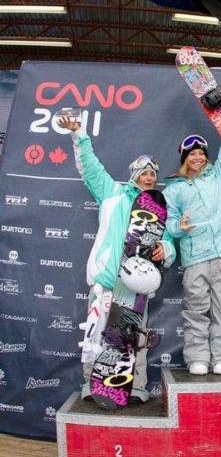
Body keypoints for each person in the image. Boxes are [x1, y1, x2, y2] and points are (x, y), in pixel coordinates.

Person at [59, 116, 176, 402]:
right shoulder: (111, 193)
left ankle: (135, 387)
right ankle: (92, 384)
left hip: (135, 285)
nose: (150, 177)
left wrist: (166, 250)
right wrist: (79, 135)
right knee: (97, 333)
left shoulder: (158, 210)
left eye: (153, 174)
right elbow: (90, 168)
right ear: (133, 174)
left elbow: (169, 241)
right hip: (107, 280)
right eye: (144, 172)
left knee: (134, 335)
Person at [163, 134, 221, 376]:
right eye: (192, 154)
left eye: (201, 154)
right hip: (195, 255)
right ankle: (197, 357)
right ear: (185, 158)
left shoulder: (217, 176)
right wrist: (180, 228)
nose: (197, 158)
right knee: (196, 308)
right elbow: (170, 223)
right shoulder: (173, 188)